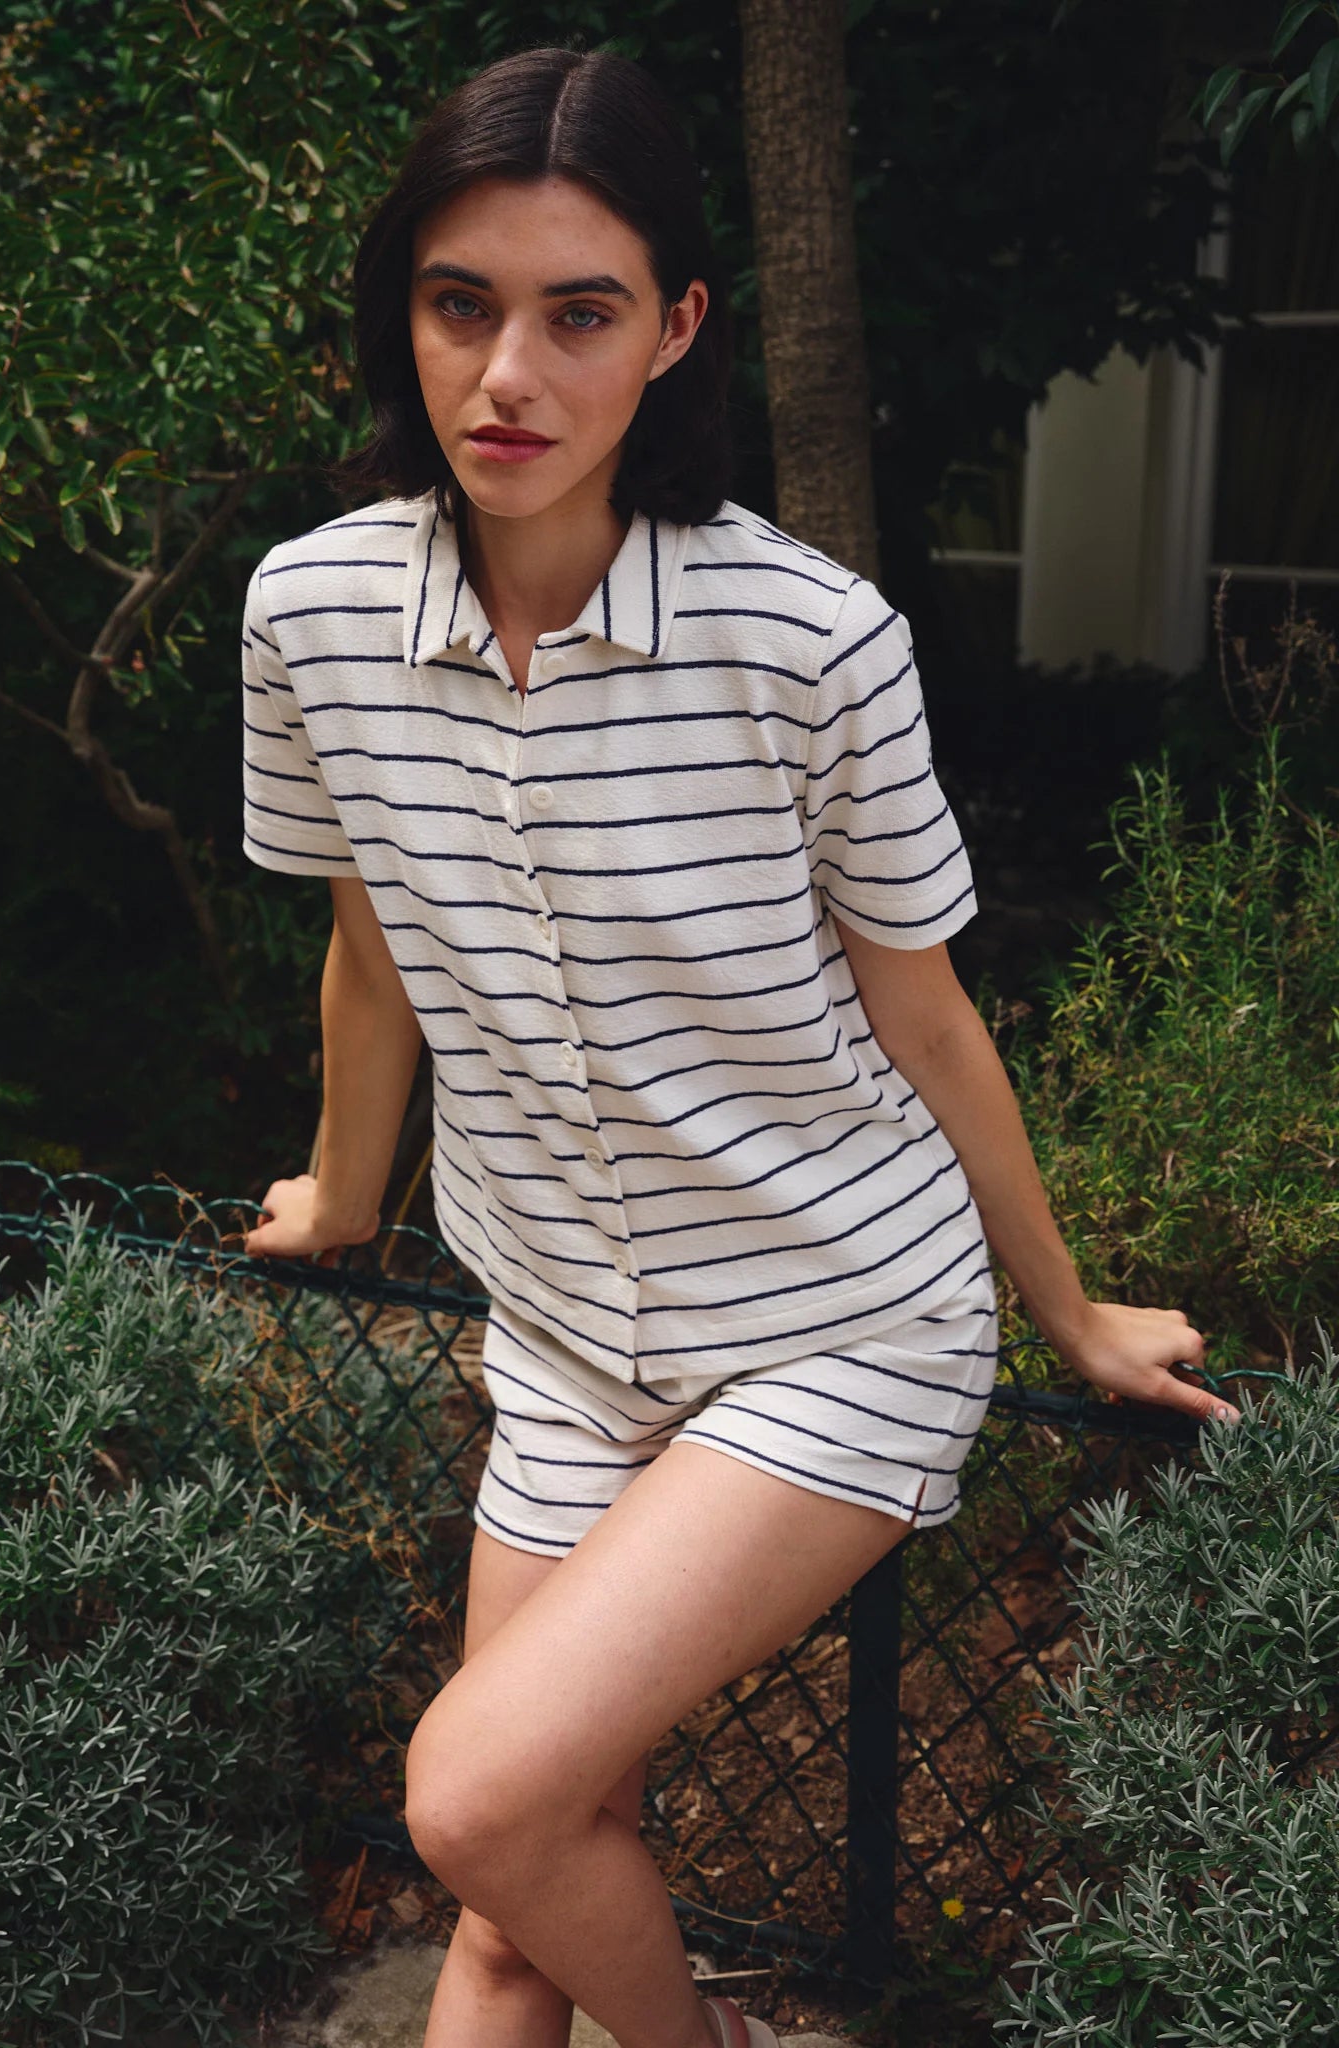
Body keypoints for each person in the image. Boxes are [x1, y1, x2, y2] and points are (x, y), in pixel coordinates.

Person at [240, 45, 1238, 2048]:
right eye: (460, 303)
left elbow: (924, 1012)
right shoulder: (313, 614)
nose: (508, 374)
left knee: (477, 1799)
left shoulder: (808, 640)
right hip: (559, 1328)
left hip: (835, 1317)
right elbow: (371, 951)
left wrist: (1065, 1312)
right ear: (402, 314)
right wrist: (346, 1193)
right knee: (512, 1903)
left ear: (678, 328)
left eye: (579, 314)